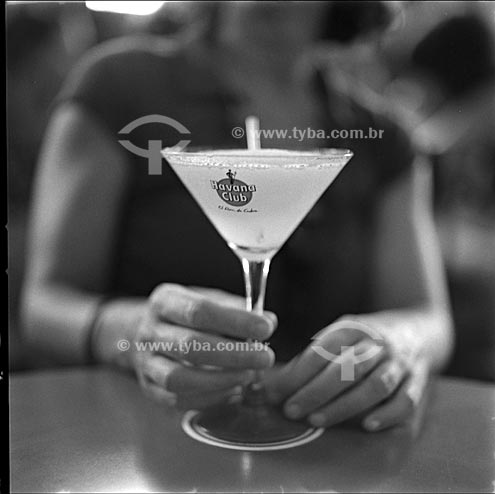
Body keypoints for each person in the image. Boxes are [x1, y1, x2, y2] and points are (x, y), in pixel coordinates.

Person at [22, 2, 453, 432]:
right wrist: (131, 334)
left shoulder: (383, 137)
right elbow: (43, 304)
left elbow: (427, 315)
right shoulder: (119, 86)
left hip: (330, 444)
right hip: (139, 438)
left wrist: (402, 342)